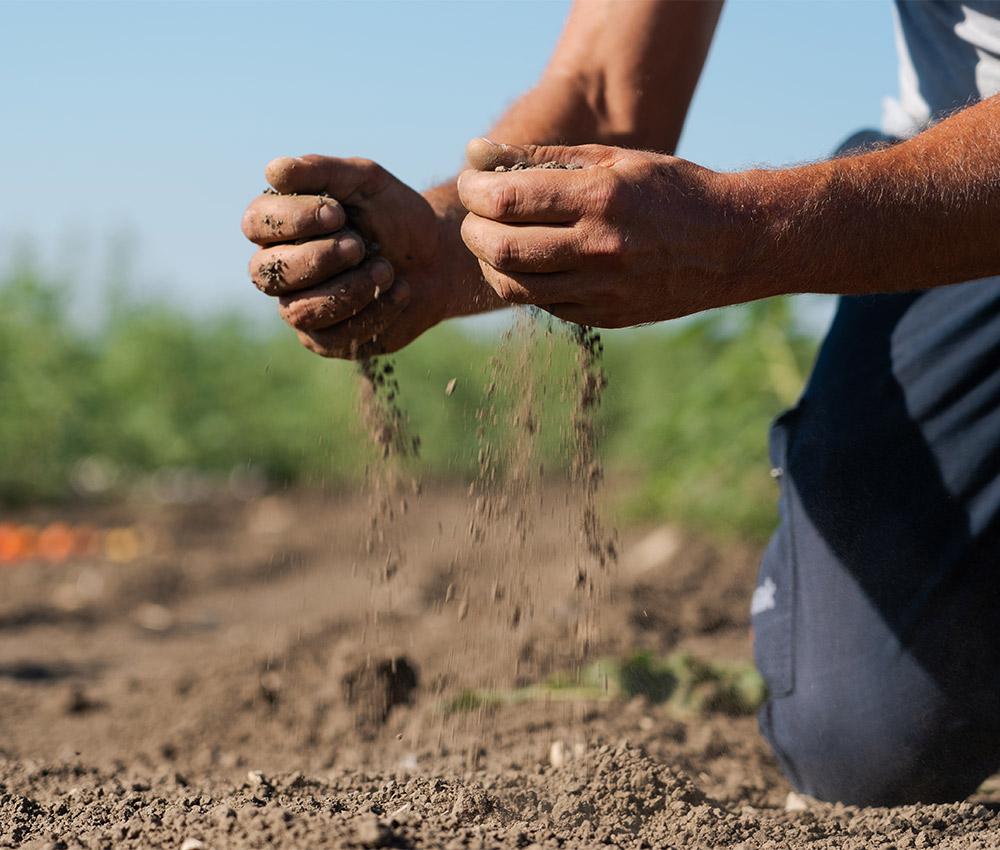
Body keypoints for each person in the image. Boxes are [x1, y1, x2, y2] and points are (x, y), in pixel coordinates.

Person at [242, 0, 1000, 806]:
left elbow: (740, 227)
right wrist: (439, 250)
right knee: (867, 734)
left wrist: (746, 233)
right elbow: (605, 91)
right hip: (954, 203)